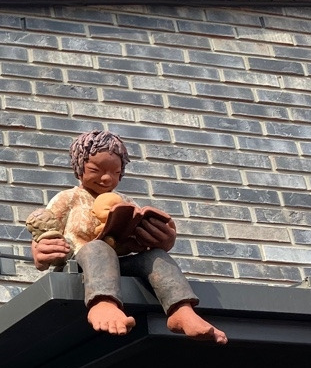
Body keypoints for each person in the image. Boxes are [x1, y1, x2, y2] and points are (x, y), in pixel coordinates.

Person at [25, 129, 227, 344]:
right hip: (82, 263)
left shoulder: (124, 201)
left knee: (156, 257)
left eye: (115, 172)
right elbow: (45, 231)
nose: (106, 178)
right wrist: (41, 251)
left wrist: (162, 238)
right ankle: (103, 302)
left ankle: (181, 310)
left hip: (121, 263)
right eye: (95, 170)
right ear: (79, 167)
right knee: (98, 247)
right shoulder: (69, 198)